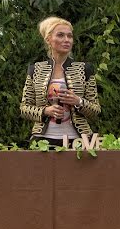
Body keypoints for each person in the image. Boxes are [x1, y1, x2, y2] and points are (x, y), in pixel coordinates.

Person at [20, 16, 101, 146]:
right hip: (42, 139)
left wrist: (78, 101)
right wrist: (46, 111)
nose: (66, 40)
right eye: (61, 35)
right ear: (48, 40)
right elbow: (24, 108)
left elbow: (95, 111)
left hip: (79, 140)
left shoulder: (85, 69)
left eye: (70, 36)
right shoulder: (35, 69)